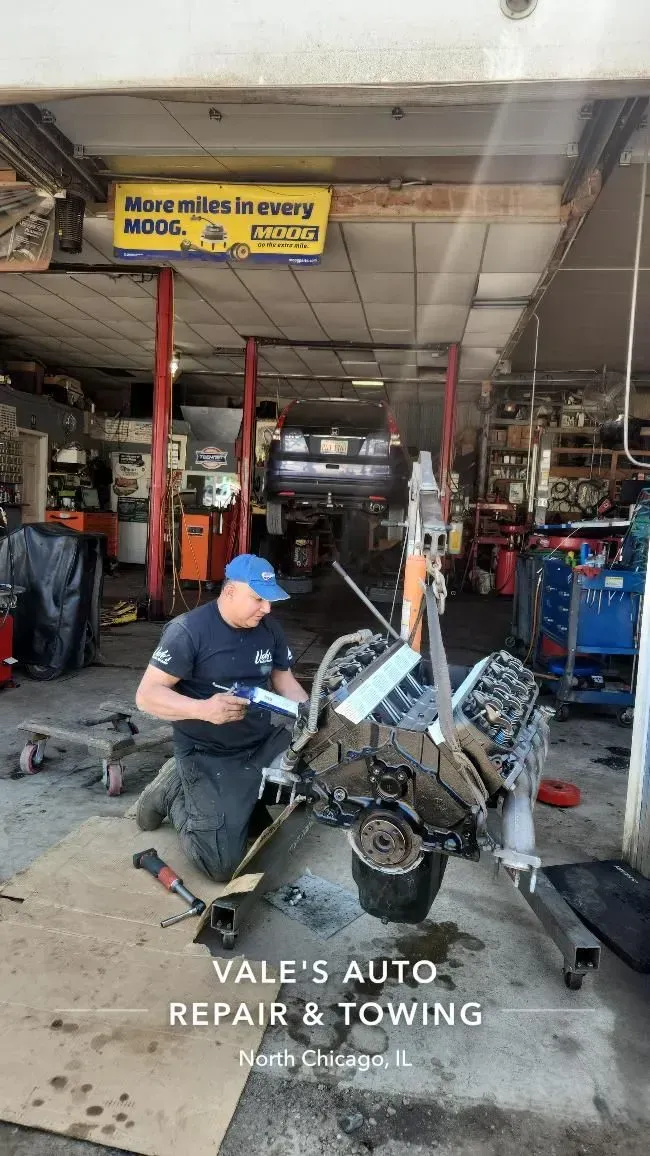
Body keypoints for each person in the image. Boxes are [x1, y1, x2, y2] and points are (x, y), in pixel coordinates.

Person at [134, 554, 308, 881]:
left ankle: (241, 801)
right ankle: (174, 791)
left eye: (269, 600)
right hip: (208, 753)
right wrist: (203, 710)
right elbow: (146, 696)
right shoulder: (188, 630)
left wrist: (314, 716)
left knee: (319, 769)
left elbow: (285, 681)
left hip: (260, 743)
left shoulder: (269, 629)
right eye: (257, 599)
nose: (267, 608)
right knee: (221, 865)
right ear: (229, 591)